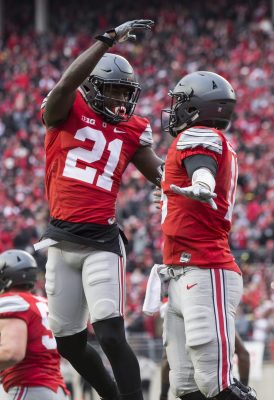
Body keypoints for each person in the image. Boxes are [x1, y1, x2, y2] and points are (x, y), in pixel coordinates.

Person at [35, 19, 164, 400]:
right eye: (110, 92)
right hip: (60, 239)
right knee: (69, 344)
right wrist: (105, 42)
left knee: (110, 333)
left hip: (103, 242)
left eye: (124, 94)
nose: (119, 102)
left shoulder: (132, 128)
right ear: (90, 87)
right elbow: (63, 86)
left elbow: (159, 170)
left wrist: (177, 180)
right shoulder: (65, 107)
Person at [156, 71, 257, 399]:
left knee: (217, 383)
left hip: (205, 266)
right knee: (185, 385)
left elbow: (203, 171)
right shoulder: (201, 141)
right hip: (181, 270)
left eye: (181, 102)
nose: (175, 109)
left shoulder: (198, 136)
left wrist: (201, 184)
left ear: (198, 107)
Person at [0, 249, 69, 400]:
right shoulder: (43, 303)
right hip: (56, 389)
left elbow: (12, 353)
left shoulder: (12, 302)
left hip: (29, 387)